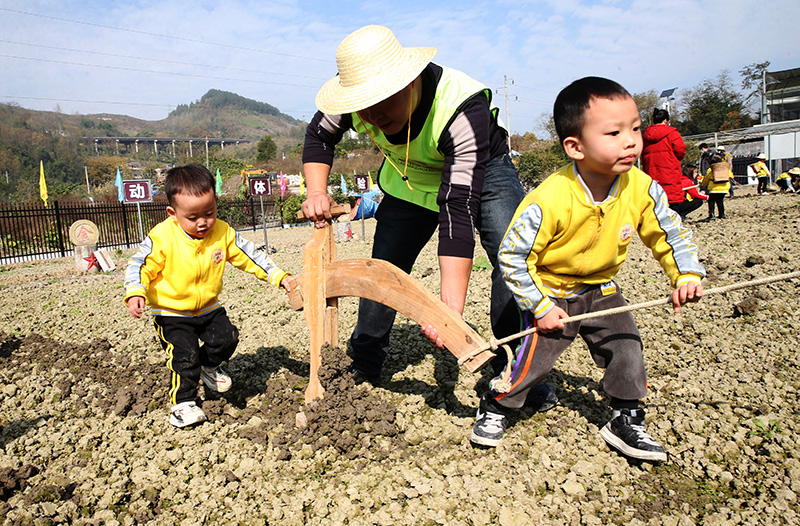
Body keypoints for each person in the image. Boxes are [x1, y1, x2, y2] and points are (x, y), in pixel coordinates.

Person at [300, 25, 555, 408]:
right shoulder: (354, 102)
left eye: (381, 103)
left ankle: (518, 367)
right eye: (362, 106)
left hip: (483, 174)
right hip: (410, 179)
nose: (370, 116)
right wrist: (316, 191)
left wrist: (448, 313)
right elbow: (319, 137)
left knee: (511, 252)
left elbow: (457, 208)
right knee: (384, 266)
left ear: (410, 81)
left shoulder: (462, 107)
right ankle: (364, 360)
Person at [470, 77, 705, 463]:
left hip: (601, 286)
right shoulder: (549, 198)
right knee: (533, 362)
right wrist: (541, 306)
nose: (630, 141)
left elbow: (670, 233)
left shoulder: (641, 188)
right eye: (613, 132)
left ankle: (626, 416)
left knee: (627, 348)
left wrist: (686, 275)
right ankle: (496, 404)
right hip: (551, 291)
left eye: (635, 129)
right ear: (574, 147)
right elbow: (512, 256)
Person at [124, 164, 292, 428]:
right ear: (173, 213)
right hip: (171, 312)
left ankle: (208, 367)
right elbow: (139, 265)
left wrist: (280, 276)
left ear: (215, 203)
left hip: (208, 307)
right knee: (184, 356)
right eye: (192, 217)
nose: (203, 222)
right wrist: (136, 291)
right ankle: (183, 404)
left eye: (209, 213)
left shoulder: (222, 233)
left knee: (227, 339)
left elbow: (251, 257)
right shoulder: (162, 237)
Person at [641, 108, 687, 209]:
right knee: (672, 200)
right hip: (669, 169)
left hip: (651, 170)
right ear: (665, 120)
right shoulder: (672, 133)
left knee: (655, 198)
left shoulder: (646, 135)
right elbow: (680, 150)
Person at [702, 154, 732, 220]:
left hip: (713, 189)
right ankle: (722, 214)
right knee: (720, 201)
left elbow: (706, 179)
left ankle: (712, 214)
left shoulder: (711, 170)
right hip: (724, 188)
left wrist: (703, 185)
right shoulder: (725, 168)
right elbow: (731, 176)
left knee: (711, 201)